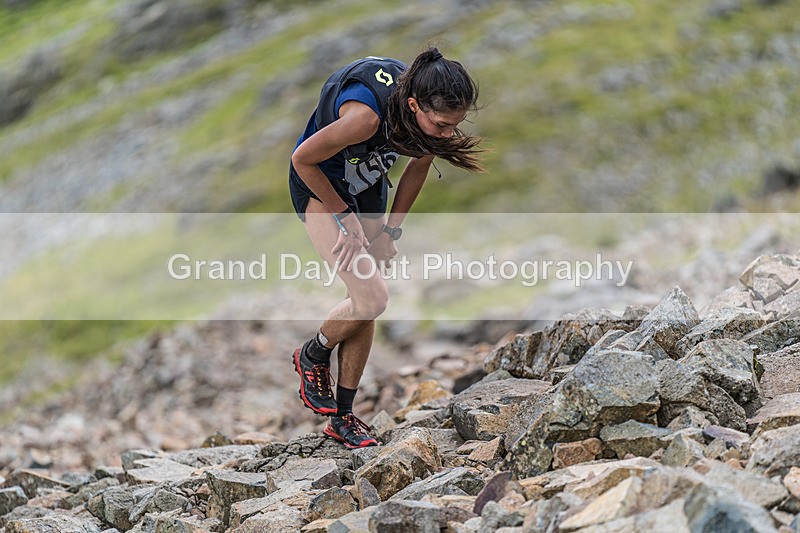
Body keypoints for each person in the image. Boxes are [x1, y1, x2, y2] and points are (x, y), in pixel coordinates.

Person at [289, 46, 484, 449]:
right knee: (372, 297)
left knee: (365, 300)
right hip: (322, 186)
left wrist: (389, 232)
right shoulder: (367, 117)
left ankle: (342, 418)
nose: (449, 134)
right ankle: (313, 353)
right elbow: (302, 160)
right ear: (414, 105)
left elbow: (418, 165)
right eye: (442, 125)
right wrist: (345, 219)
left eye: (455, 125)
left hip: (367, 181)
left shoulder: (425, 106)